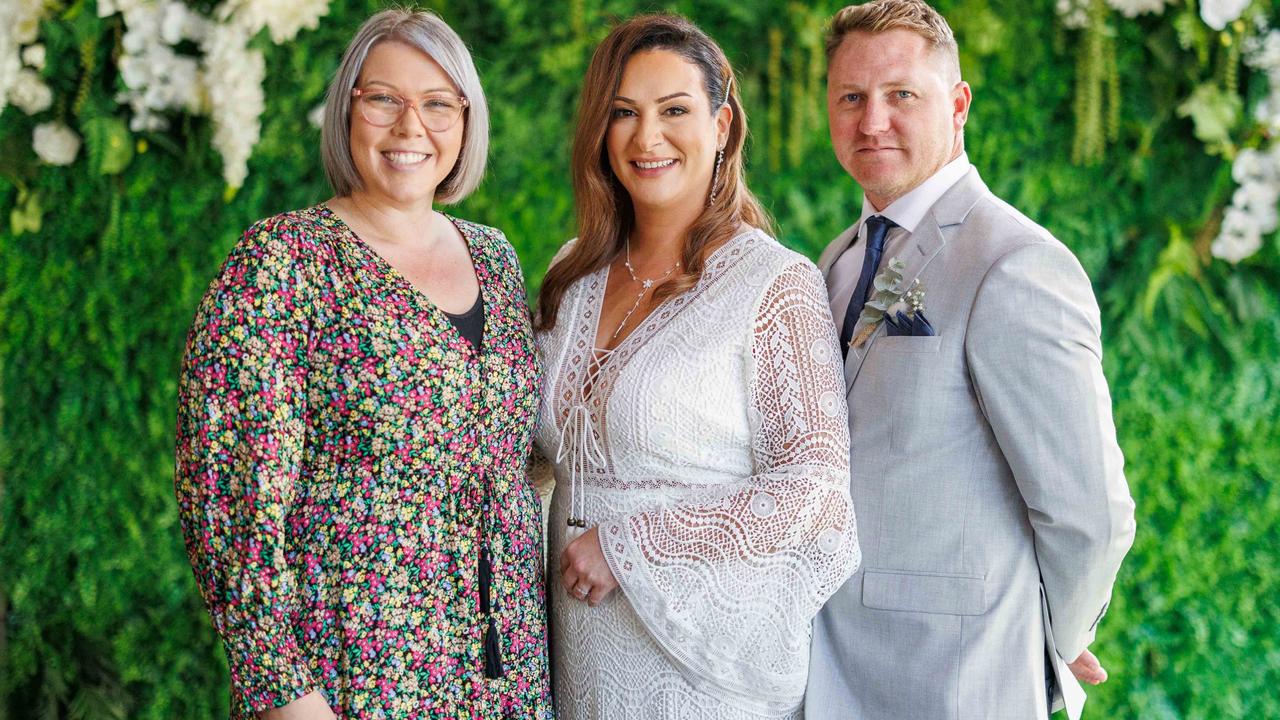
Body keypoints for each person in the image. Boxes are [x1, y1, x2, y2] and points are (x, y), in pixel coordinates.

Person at [174, 9, 552, 719]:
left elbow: (506, 455)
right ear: (347, 108)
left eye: (438, 103)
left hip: (506, 667)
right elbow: (229, 499)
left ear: (466, 120)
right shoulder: (282, 263)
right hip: (352, 667)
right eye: (384, 99)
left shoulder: (495, 257)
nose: (412, 126)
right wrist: (284, 691)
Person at [804, 2, 1137, 719]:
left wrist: (1053, 641)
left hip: (957, 683)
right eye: (851, 98)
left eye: (901, 96)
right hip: (825, 673)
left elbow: (1089, 513)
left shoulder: (1015, 263)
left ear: (957, 106)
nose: (872, 121)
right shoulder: (836, 260)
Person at [532, 13, 860, 720]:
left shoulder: (774, 285)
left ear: (723, 125)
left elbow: (816, 492)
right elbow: (538, 448)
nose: (647, 138)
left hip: (701, 674)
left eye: (674, 110)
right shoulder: (573, 272)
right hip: (575, 661)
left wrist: (631, 544)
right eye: (623, 113)